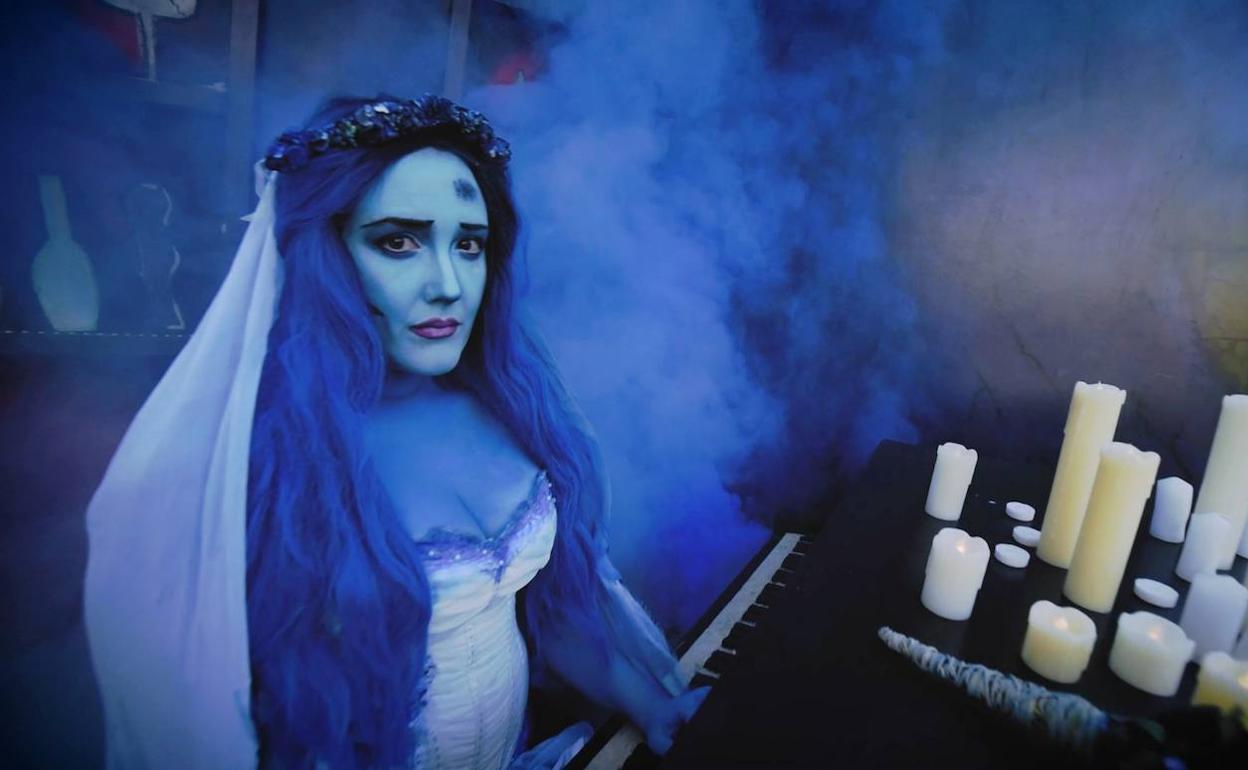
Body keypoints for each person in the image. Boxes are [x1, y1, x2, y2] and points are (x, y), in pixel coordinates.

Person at [84, 94, 708, 770]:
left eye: (468, 244)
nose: (448, 284)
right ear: (325, 254)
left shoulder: (512, 408)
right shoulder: (262, 464)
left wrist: (653, 706)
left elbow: (552, 616)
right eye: (398, 242)